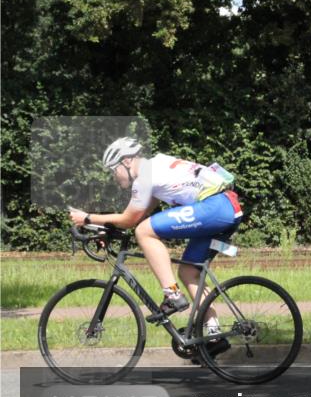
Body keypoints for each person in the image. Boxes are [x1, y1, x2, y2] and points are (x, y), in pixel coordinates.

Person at [68, 138, 242, 353]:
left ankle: (172, 295)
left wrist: (87, 218)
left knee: (144, 231)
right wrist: (106, 229)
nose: (114, 176)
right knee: (188, 271)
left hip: (215, 207)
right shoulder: (156, 168)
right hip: (225, 208)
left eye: (114, 170)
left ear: (127, 161)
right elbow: (138, 214)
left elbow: (130, 220)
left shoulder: (146, 176)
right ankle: (215, 336)